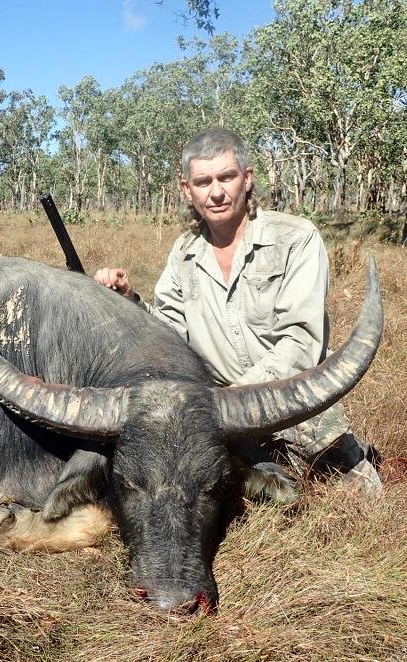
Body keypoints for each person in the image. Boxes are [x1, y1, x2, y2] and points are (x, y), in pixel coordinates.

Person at [94, 127, 381, 498]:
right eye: (203, 182)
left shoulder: (296, 238)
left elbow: (302, 341)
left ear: (246, 179)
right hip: (217, 416)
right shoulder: (183, 253)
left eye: (226, 177)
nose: (216, 192)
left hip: (290, 402)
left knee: (362, 499)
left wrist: (234, 396)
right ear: (187, 189)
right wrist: (131, 299)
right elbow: (168, 336)